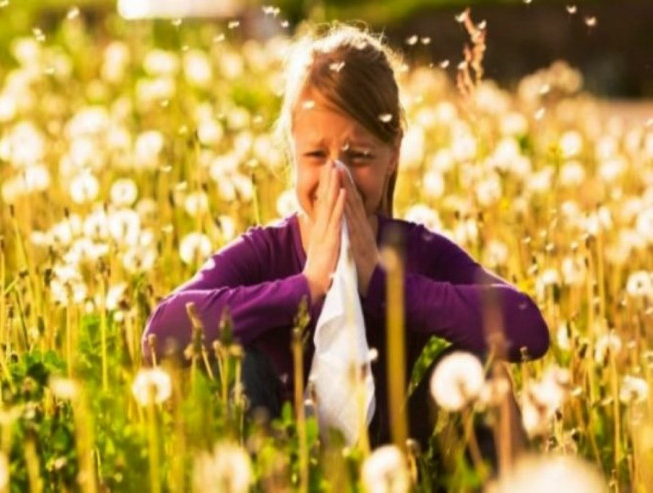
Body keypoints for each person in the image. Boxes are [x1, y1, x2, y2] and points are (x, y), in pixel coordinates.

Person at [142, 24, 549, 460]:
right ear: (291, 152)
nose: (338, 178)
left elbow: (528, 329)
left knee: (481, 374)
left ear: (392, 156)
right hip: (278, 460)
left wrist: (385, 286)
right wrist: (305, 289)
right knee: (239, 367)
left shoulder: (413, 250)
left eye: (359, 156)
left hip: (394, 460)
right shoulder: (266, 251)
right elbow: (159, 337)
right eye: (317, 156)